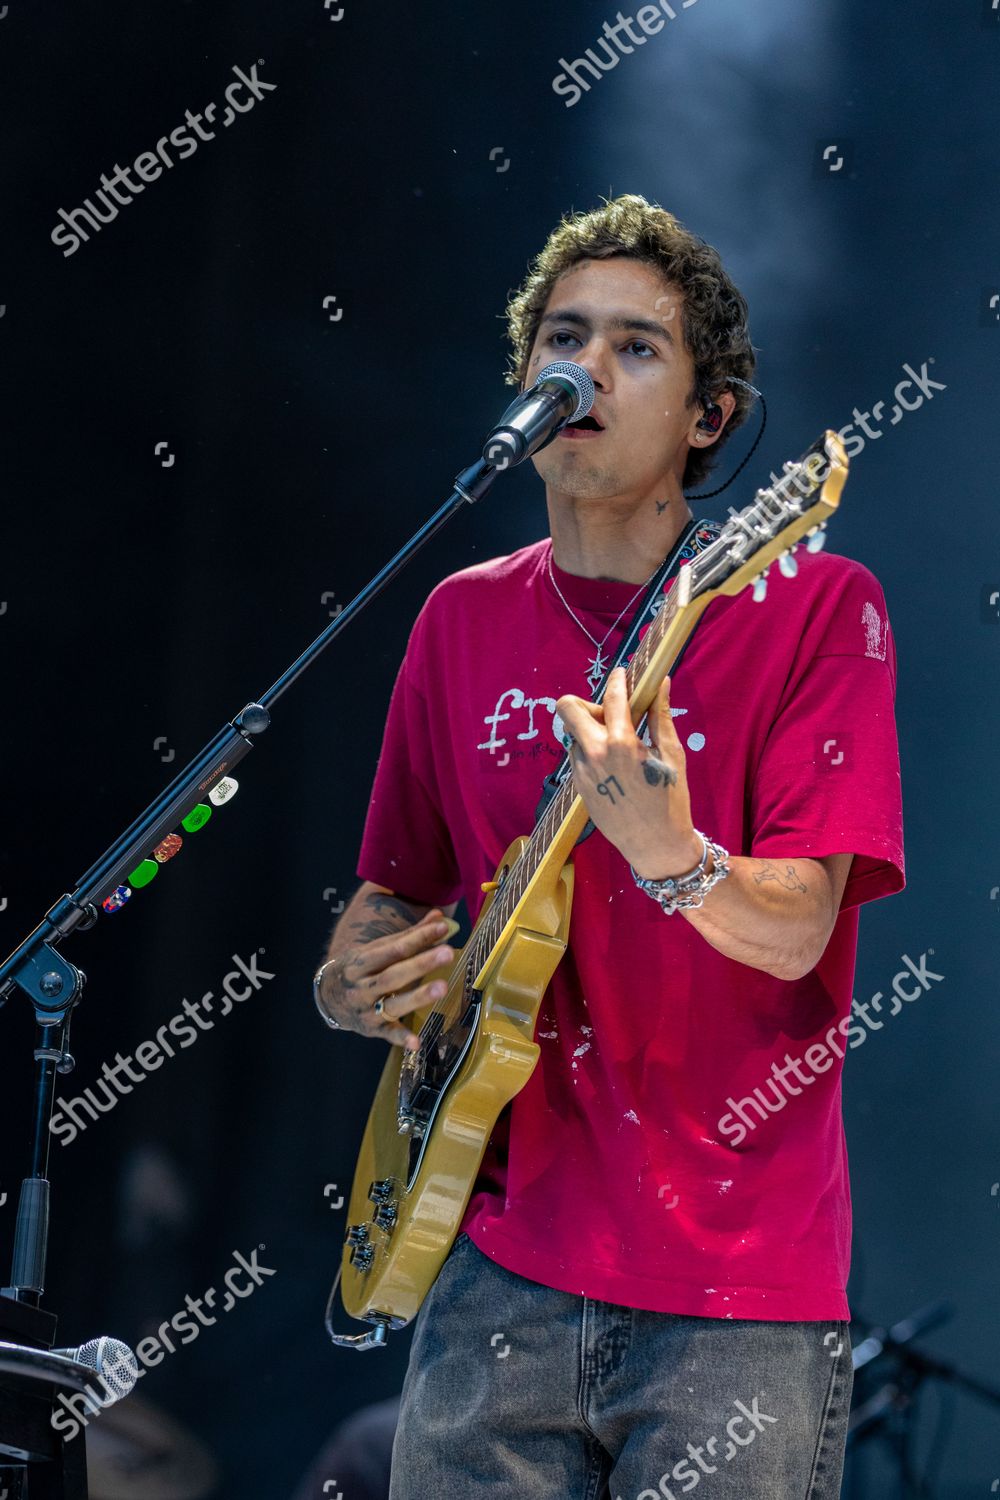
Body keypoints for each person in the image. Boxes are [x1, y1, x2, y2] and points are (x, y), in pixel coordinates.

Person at [313, 194, 904, 1500]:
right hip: (492, 1267)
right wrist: (353, 979)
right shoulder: (460, 620)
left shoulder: (812, 605)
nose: (586, 367)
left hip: (733, 1297)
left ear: (710, 419)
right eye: (563, 339)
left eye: (637, 347)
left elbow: (800, 921)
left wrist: (673, 853)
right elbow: (389, 896)